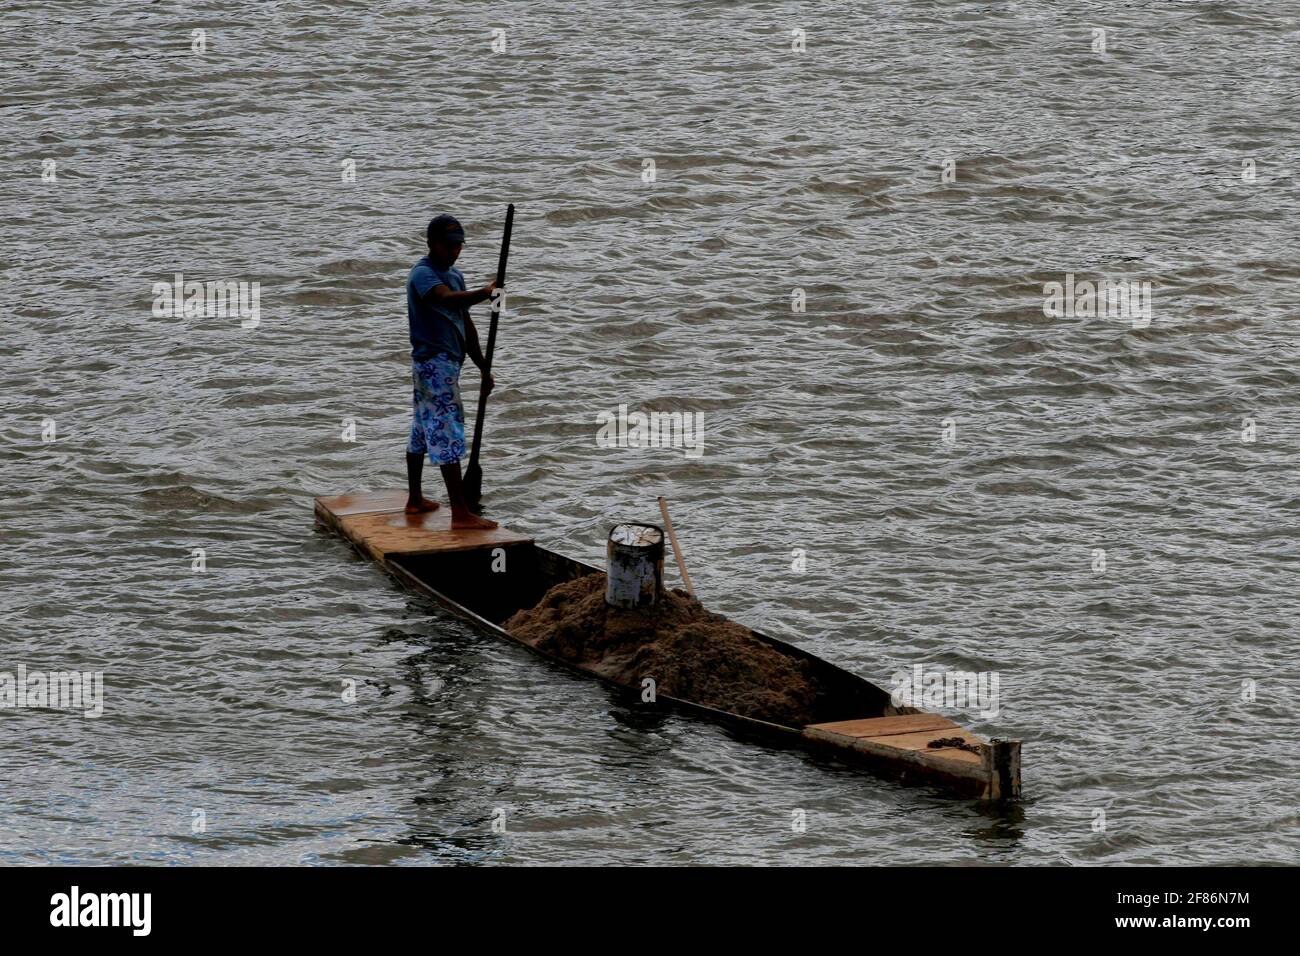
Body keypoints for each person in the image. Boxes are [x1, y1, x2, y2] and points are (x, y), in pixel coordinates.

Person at [404, 213, 498, 529]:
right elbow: (445, 300)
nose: (454, 252)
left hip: (447, 366)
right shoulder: (423, 275)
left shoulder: (455, 275)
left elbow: (465, 324)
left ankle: (415, 499)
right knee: (446, 431)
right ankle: (460, 514)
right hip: (432, 364)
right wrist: (485, 294)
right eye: (448, 246)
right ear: (432, 244)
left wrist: (483, 367)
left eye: (458, 246)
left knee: (421, 429)